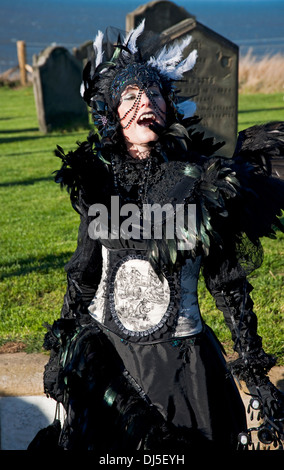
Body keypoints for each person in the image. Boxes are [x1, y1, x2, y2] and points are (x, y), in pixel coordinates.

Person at [38, 21, 284, 452]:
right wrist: (63, 350)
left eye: (153, 95)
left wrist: (256, 372)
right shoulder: (99, 181)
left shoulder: (201, 181)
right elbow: (83, 274)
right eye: (131, 97)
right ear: (112, 114)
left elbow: (227, 284)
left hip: (182, 368)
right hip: (111, 362)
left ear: (168, 109)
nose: (145, 103)